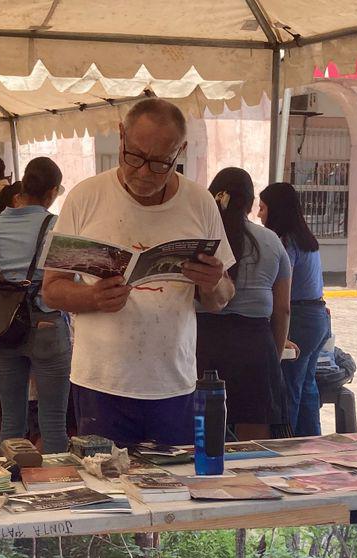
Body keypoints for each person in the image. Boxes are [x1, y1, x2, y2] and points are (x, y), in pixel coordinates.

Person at [42, 99, 235, 447]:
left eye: (161, 163)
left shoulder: (199, 202)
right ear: (120, 137)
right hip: (101, 383)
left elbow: (221, 299)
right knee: (109, 491)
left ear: (181, 152)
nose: (144, 172)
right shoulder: (86, 198)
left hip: (173, 383)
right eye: (134, 156)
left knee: (175, 491)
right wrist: (91, 297)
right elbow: (51, 290)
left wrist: (214, 282)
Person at [0, 157, 71, 452]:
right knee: (53, 420)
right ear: (51, 192)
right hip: (45, 321)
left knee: (11, 419)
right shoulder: (55, 224)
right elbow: (62, 277)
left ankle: (7, 482)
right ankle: (55, 488)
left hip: (2, 324)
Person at [199, 168, 291, 440]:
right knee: (254, 446)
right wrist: (272, 357)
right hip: (253, 347)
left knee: (202, 436)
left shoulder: (202, 242)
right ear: (250, 203)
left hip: (201, 346)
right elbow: (283, 309)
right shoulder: (270, 241)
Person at [259, 181, 329, 436]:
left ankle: (289, 445)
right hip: (318, 317)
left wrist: (281, 334)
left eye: (263, 208)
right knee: (307, 386)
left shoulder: (285, 242)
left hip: (300, 319)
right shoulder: (306, 238)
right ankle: (310, 443)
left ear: (275, 210)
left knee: (289, 388)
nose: (259, 214)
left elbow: (281, 293)